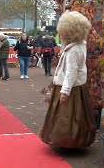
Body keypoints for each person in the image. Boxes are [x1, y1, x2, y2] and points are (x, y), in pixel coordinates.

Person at [40, 10, 96, 149]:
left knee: (65, 117)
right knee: (78, 117)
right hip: (78, 87)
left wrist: (65, 92)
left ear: (68, 32)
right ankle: (77, 140)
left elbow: (71, 72)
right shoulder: (80, 46)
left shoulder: (73, 50)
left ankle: (67, 141)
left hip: (70, 87)